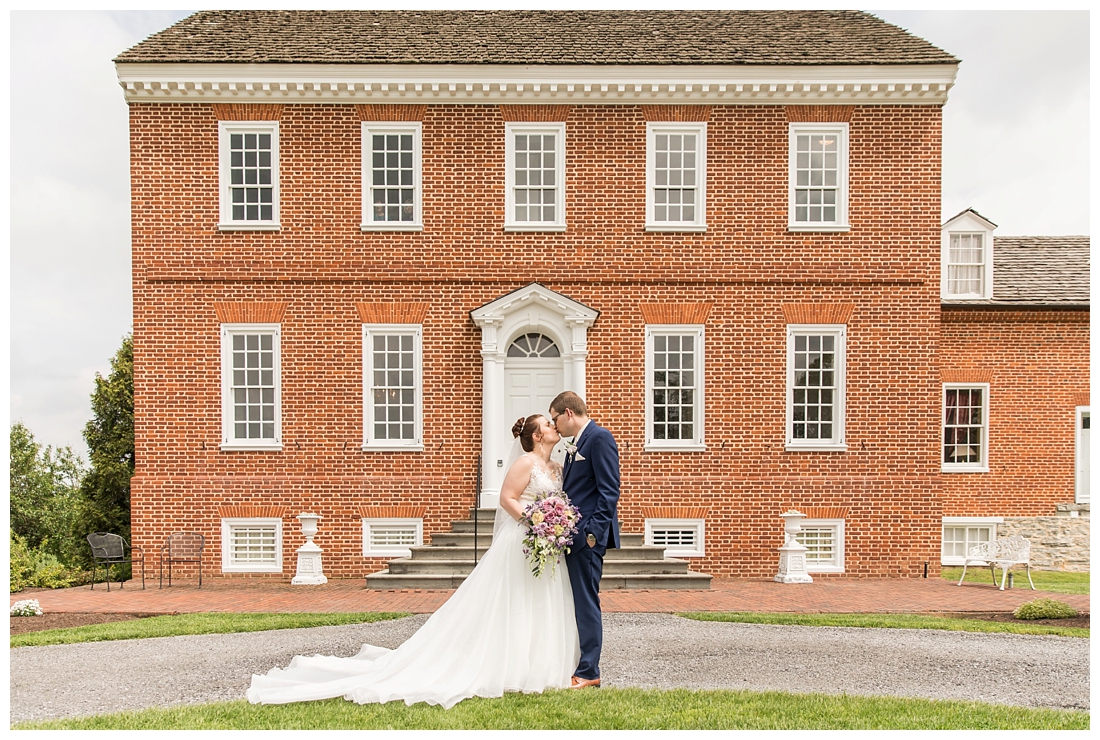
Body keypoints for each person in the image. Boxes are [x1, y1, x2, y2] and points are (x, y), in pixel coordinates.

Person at [247, 414, 580, 709]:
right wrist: (536, 521)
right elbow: (507, 499)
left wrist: (556, 524)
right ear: (537, 435)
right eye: (549, 424)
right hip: (523, 540)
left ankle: (540, 667)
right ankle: (507, 665)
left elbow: (557, 500)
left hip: (547, 544)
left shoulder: (556, 467)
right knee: (513, 601)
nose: (554, 426)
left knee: (541, 601)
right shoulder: (525, 463)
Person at [549, 391, 621, 689]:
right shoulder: (574, 444)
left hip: (586, 539)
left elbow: (610, 491)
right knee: (576, 602)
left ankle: (590, 671)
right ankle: (578, 663)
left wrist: (592, 534)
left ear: (568, 413)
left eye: (555, 420)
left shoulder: (599, 438)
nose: (554, 427)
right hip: (572, 537)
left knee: (587, 603)